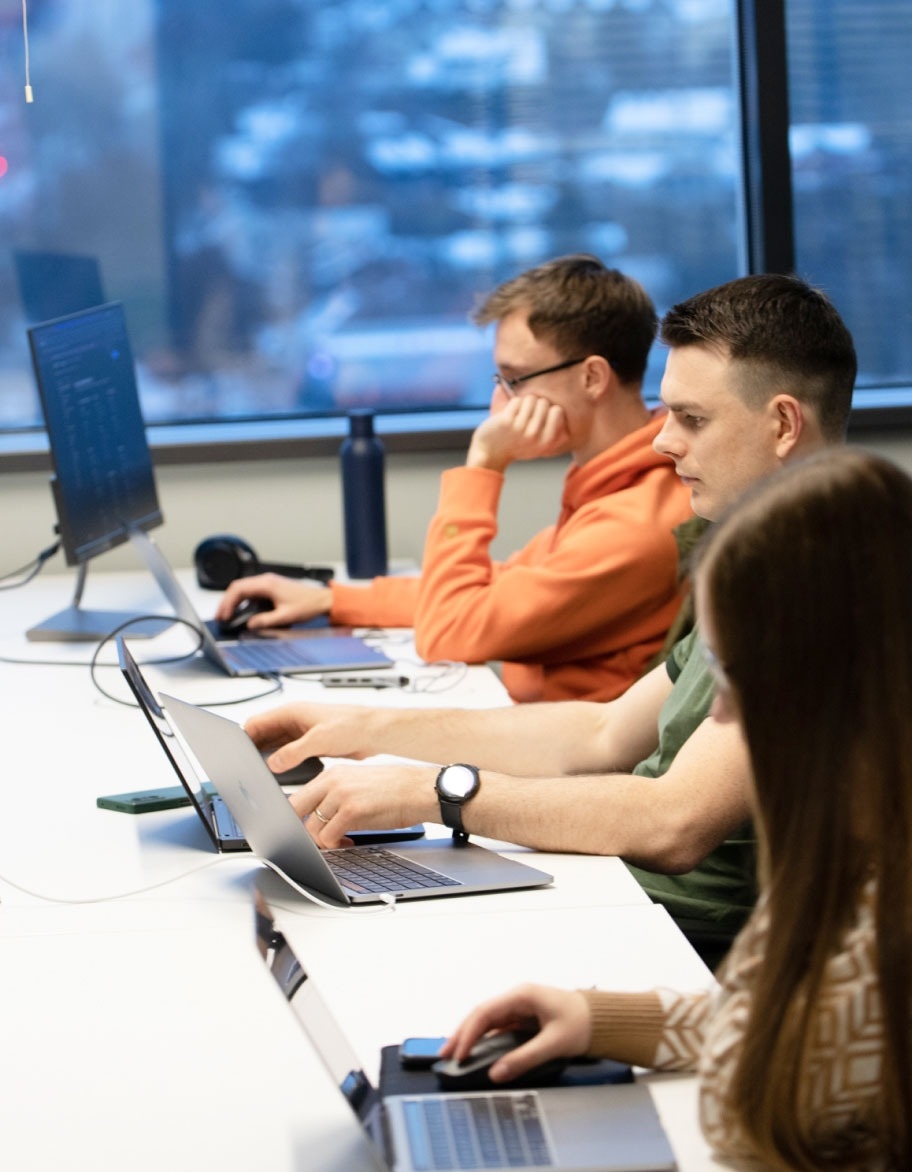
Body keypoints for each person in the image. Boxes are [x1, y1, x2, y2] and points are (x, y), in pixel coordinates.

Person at [243, 273, 858, 964]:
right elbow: (600, 732)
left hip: (697, 947)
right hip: (632, 891)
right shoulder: (758, 556)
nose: (663, 443)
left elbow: (675, 821)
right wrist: (364, 729)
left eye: (692, 419)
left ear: (782, 424)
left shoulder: (824, 587)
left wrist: (433, 791)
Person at [439, 447, 912, 1171]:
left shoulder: (879, 914)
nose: (718, 712)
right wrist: (600, 1019)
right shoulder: (857, 832)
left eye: (730, 671)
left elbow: (750, 1105)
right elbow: (773, 1019)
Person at [216, 254, 693, 703]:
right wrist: (330, 600)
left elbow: (448, 630)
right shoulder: (615, 479)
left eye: (516, 380)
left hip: (567, 767)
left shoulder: (634, 525)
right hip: (533, 725)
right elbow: (491, 592)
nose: (499, 406)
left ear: (592, 377)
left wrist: (483, 465)